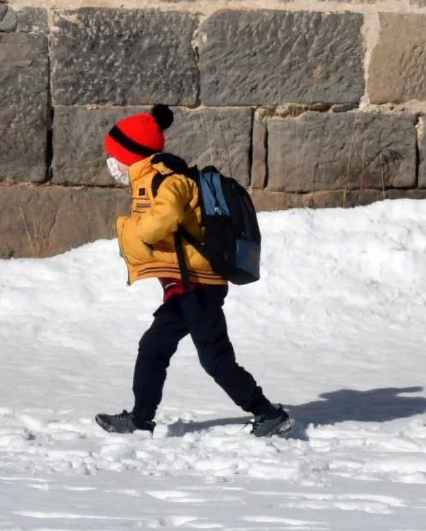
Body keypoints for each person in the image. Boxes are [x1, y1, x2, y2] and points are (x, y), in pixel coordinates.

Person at [94, 106, 294, 439]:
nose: (110, 164)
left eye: (114, 156)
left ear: (132, 155)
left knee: (215, 358)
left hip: (199, 287)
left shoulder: (171, 181)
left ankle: (268, 413)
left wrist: (131, 229)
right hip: (183, 287)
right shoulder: (154, 180)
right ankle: (141, 418)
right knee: (153, 348)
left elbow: (164, 219)